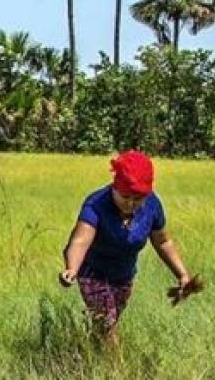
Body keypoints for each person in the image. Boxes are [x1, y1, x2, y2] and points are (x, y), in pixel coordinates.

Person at [58, 150, 195, 352]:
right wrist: (72, 268)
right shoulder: (96, 204)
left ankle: (85, 356)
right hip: (92, 272)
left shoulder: (152, 205)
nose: (131, 204)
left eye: (138, 198)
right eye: (125, 196)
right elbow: (80, 240)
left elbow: (163, 242)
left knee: (105, 326)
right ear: (115, 187)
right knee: (107, 324)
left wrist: (182, 274)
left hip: (123, 277)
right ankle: (116, 373)